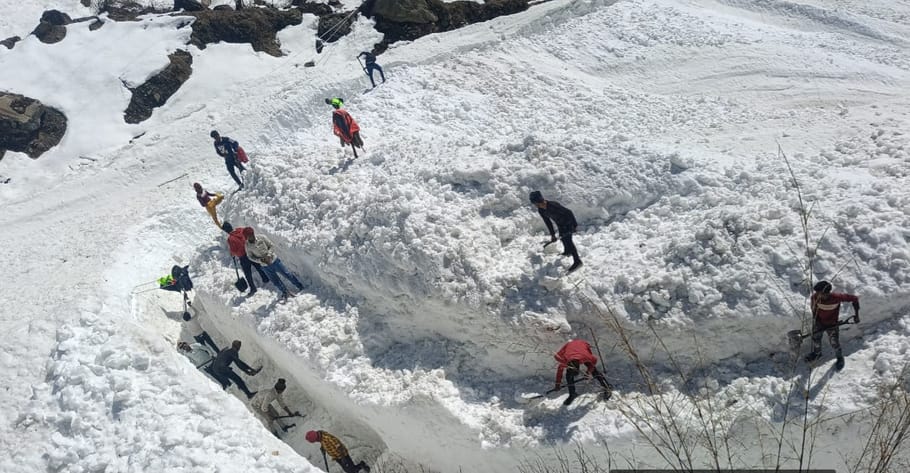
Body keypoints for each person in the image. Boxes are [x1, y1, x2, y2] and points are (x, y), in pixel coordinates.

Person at [805, 280, 860, 370]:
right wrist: (817, 322)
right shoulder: (814, 298)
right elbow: (814, 310)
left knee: (834, 342)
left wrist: (857, 315)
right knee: (816, 338)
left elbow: (854, 299)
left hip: (832, 324)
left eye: (820, 293)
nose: (818, 295)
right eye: (817, 293)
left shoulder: (836, 297)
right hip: (819, 322)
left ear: (827, 293)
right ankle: (817, 353)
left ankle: (839, 357)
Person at [243, 227, 305, 300]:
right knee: (275, 281)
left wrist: (269, 255)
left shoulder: (262, 237)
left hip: (274, 261)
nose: (252, 236)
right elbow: (250, 257)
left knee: (287, 274)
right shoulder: (247, 246)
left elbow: (271, 245)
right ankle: (285, 292)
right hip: (265, 266)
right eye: (249, 235)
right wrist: (260, 260)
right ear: (246, 237)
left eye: (252, 234)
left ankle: (300, 286)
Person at [529, 190, 582, 273]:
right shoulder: (541, 210)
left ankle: (577, 261)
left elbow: (569, 212)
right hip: (560, 224)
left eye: (535, 203)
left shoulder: (553, 205)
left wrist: (574, 225)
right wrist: (552, 234)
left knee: (568, 241)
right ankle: (567, 251)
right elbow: (548, 222)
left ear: (538, 201)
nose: (535, 205)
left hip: (568, 223)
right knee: (563, 239)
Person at [554, 339, 613, 406]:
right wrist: (557, 384)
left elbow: (594, 360)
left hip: (583, 345)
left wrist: (588, 372)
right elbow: (559, 371)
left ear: (579, 364)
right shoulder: (564, 361)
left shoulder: (586, 357)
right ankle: (572, 394)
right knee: (568, 375)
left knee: (592, 368)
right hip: (569, 345)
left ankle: (607, 387)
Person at [222, 222, 270, 296]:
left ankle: (253, 288)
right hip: (251, 251)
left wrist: (232, 254)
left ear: (226, 231)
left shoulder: (230, 239)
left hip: (243, 257)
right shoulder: (241, 230)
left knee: (248, 273)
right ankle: (265, 278)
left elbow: (234, 250)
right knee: (258, 266)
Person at [305, 430, 371, 473]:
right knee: (348, 470)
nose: (316, 442)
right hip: (337, 457)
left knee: (351, 471)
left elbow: (338, 445)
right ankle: (361, 465)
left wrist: (343, 458)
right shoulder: (321, 437)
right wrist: (323, 447)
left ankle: (362, 465)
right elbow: (323, 443)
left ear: (316, 438)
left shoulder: (327, 438)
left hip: (342, 455)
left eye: (315, 441)